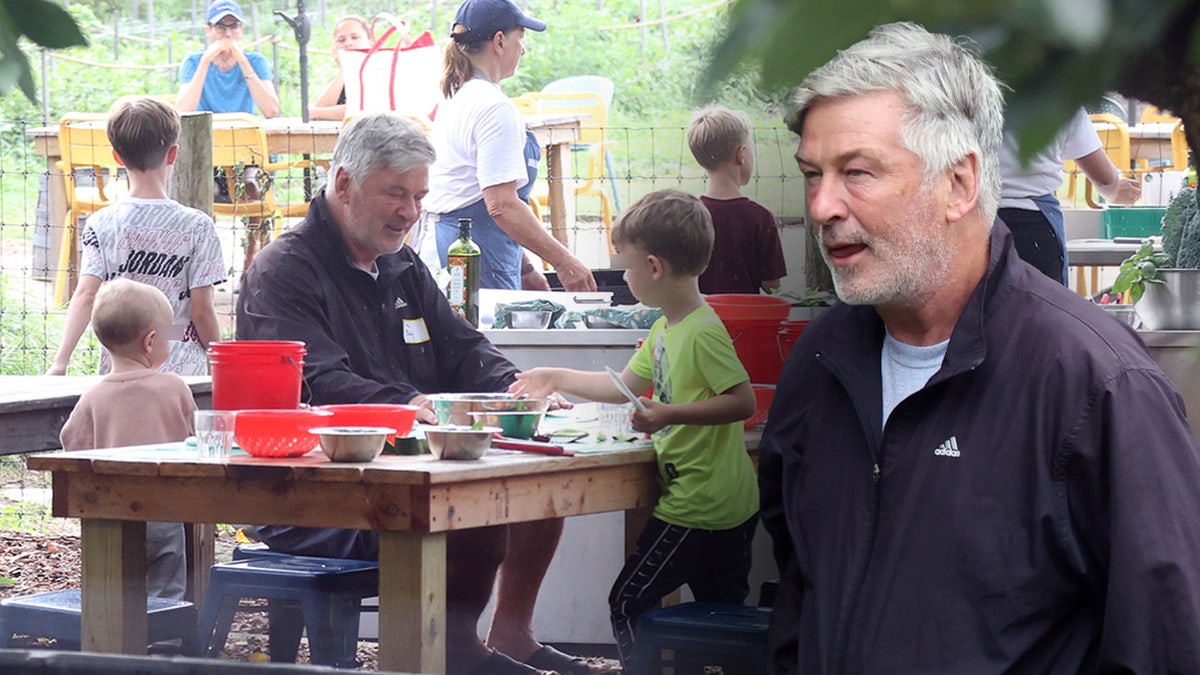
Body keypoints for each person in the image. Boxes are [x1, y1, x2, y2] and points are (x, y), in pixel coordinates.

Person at [762, 21, 1200, 673]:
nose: (822, 205)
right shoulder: (818, 363)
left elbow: (1164, 642)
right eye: (812, 175)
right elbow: (800, 590)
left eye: (856, 172)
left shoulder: (1096, 385)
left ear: (961, 184)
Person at [236, 112, 616, 675]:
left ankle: (510, 635)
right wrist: (419, 407)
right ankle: (454, 651)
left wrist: (515, 392)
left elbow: (463, 347)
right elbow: (322, 381)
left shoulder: (402, 262)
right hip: (313, 491)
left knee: (540, 485)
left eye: (419, 196)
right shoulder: (284, 269)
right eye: (395, 193)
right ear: (343, 184)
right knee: (475, 508)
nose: (411, 213)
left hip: (414, 462)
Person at [511, 189, 759, 671]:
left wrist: (667, 415)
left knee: (628, 603)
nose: (623, 276)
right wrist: (555, 375)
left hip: (700, 505)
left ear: (653, 267)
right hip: (721, 502)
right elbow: (624, 386)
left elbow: (741, 401)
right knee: (723, 624)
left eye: (625, 266)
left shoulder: (702, 331)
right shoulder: (667, 328)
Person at [421, 0, 597, 293]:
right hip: (475, 259)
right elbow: (501, 204)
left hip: (450, 250)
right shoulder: (493, 107)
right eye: (521, 38)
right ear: (499, 41)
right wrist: (564, 262)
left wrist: (525, 268)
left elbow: (472, 191)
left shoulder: (458, 97)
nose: (523, 50)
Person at [47, 96, 224, 377]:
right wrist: (221, 362)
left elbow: (85, 295)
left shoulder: (101, 223)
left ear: (117, 157)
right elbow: (202, 312)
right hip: (181, 363)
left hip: (122, 364)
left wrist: (60, 362)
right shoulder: (197, 226)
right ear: (173, 154)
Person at [60, 278, 196, 600]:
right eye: (169, 334)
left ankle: (110, 637)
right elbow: (196, 438)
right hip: (164, 512)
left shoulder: (93, 397)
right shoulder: (174, 388)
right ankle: (167, 640)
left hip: (110, 514)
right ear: (150, 341)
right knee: (167, 588)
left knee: (112, 589)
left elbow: (71, 445)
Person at [177, 0, 281, 277]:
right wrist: (205, 62)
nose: (227, 33)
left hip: (246, 154)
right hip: (208, 156)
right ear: (208, 30)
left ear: (241, 30)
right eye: (220, 26)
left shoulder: (257, 62)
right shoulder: (193, 62)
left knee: (253, 186)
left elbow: (270, 109)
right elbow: (181, 110)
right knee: (198, 193)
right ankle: (203, 267)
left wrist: (243, 61)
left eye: (232, 26)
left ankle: (252, 264)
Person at [999, 106, 1142, 284]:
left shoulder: (964, 88)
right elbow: (1105, 179)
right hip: (1035, 228)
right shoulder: (1059, 94)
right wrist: (1115, 191)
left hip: (969, 219)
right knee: (1041, 309)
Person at [687, 105, 787, 295]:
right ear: (741, 154)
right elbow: (771, 286)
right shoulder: (760, 218)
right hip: (746, 320)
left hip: (700, 318)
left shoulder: (688, 216)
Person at [308, 15, 373, 121]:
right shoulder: (342, 78)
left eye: (355, 37)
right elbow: (321, 108)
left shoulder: (380, 71)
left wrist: (316, 112)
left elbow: (362, 110)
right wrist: (344, 69)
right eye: (341, 40)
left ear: (370, 41)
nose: (348, 43)